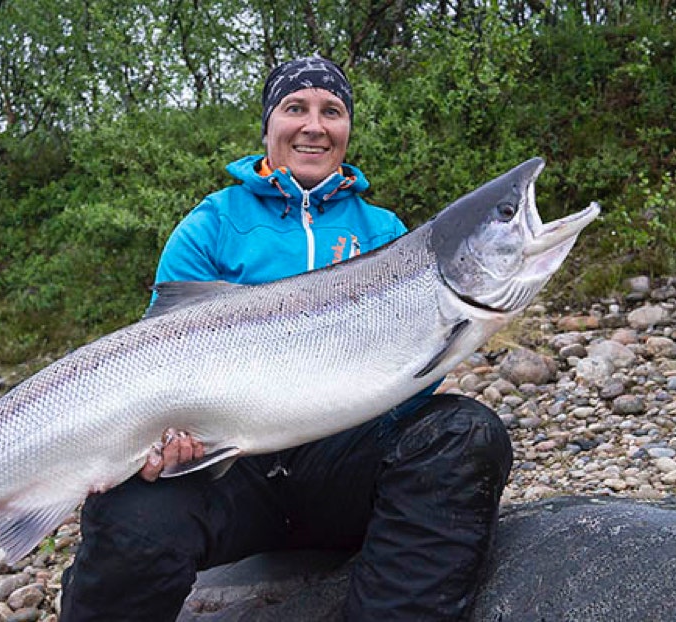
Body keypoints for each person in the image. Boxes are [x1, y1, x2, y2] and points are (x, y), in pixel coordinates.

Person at [59, 56, 513, 621]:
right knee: (126, 508)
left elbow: (414, 385)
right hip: (227, 473)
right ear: (269, 124)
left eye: (332, 111)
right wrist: (157, 440)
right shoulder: (210, 226)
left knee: (465, 432)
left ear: (348, 128)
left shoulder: (389, 236)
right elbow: (155, 355)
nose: (314, 125)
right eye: (295, 108)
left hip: (342, 464)